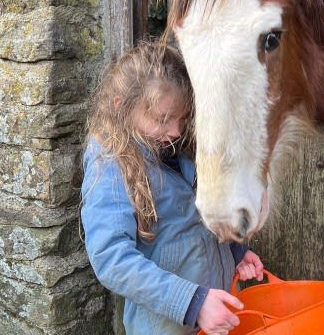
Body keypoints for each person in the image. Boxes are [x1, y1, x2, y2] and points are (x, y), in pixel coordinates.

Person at [80, 41, 264, 335]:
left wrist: (237, 251)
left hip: (212, 318)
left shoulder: (180, 150)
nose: (176, 130)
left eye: (181, 118)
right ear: (121, 108)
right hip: (164, 327)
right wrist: (191, 303)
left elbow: (198, 221)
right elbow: (111, 258)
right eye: (163, 119)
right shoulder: (110, 167)